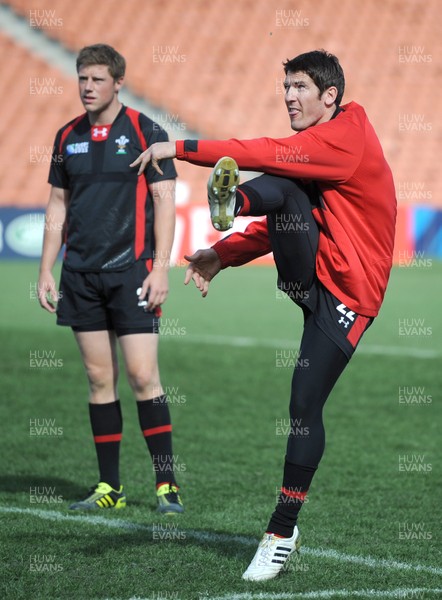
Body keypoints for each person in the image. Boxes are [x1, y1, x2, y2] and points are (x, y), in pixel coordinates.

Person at [131, 50, 396, 579]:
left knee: (303, 404)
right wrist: (222, 253)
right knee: (289, 184)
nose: (289, 97)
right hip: (310, 273)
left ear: (330, 96)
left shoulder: (345, 136)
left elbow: (268, 152)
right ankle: (232, 201)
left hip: (349, 295)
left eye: (300, 87)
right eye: (286, 87)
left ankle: (281, 531)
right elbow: (294, 211)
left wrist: (180, 148)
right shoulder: (321, 144)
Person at [38, 44, 183, 514]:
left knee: (143, 376)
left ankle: (166, 485)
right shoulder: (66, 137)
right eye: (82, 78)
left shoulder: (146, 130)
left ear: (118, 82)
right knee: (100, 379)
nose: (87, 87)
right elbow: (58, 206)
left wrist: (161, 267)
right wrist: (46, 267)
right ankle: (110, 488)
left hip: (132, 273)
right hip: (80, 274)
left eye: (97, 79)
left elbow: (164, 201)